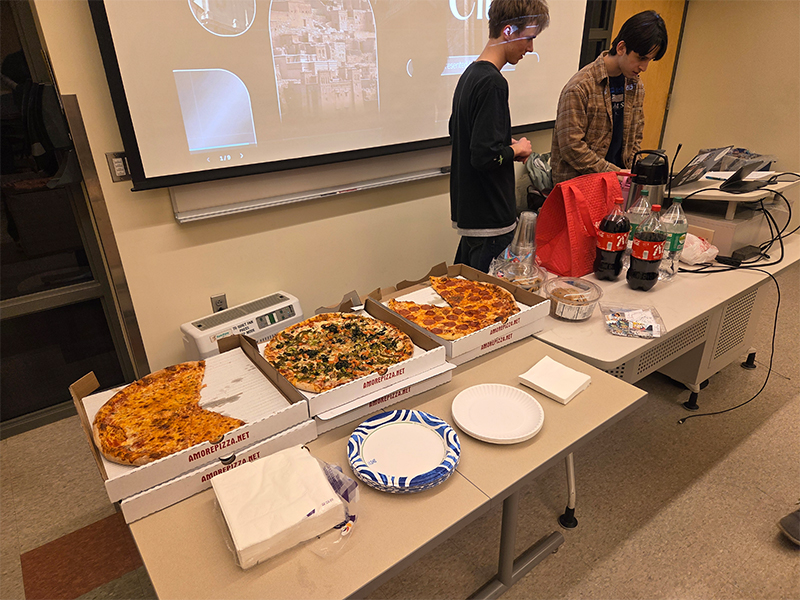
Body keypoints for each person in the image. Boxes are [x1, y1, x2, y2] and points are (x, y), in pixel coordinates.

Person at [450, 0, 550, 273]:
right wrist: (517, 150)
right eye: (528, 38)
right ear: (508, 31)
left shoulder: (469, 75)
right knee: (489, 297)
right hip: (491, 220)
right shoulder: (493, 82)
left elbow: (464, 136)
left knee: (464, 291)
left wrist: (505, 146)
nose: (531, 48)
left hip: (472, 217)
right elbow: (484, 157)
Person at [550, 10, 668, 184]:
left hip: (619, 182)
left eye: (649, 60)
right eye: (641, 58)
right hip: (579, 186)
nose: (644, 67)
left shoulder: (635, 85)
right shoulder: (580, 87)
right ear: (621, 48)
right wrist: (615, 173)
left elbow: (635, 136)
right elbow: (572, 148)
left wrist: (635, 172)